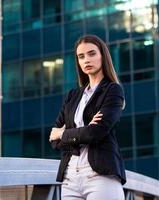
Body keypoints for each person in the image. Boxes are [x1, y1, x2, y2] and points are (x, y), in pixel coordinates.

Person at [49, 35, 126, 200]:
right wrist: (83, 131)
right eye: (81, 56)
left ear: (102, 56)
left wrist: (64, 134)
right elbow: (53, 139)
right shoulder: (73, 95)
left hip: (100, 176)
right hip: (70, 178)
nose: (86, 60)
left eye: (92, 54)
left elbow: (96, 133)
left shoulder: (112, 90)